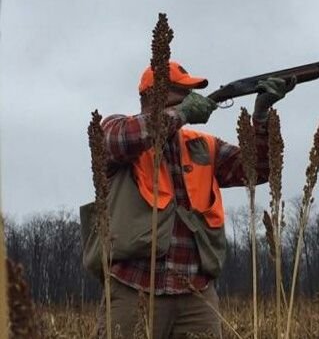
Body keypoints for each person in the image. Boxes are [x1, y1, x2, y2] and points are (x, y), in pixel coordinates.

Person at [97, 60, 295, 338]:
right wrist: (180, 114)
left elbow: (258, 170)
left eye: (189, 93)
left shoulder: (203, 145)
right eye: (180, 92)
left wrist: (261, 117)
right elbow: (115, 141)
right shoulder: (117, 129)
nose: (189, 99)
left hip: (195, 294)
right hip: (134, 287)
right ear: (151, 97)